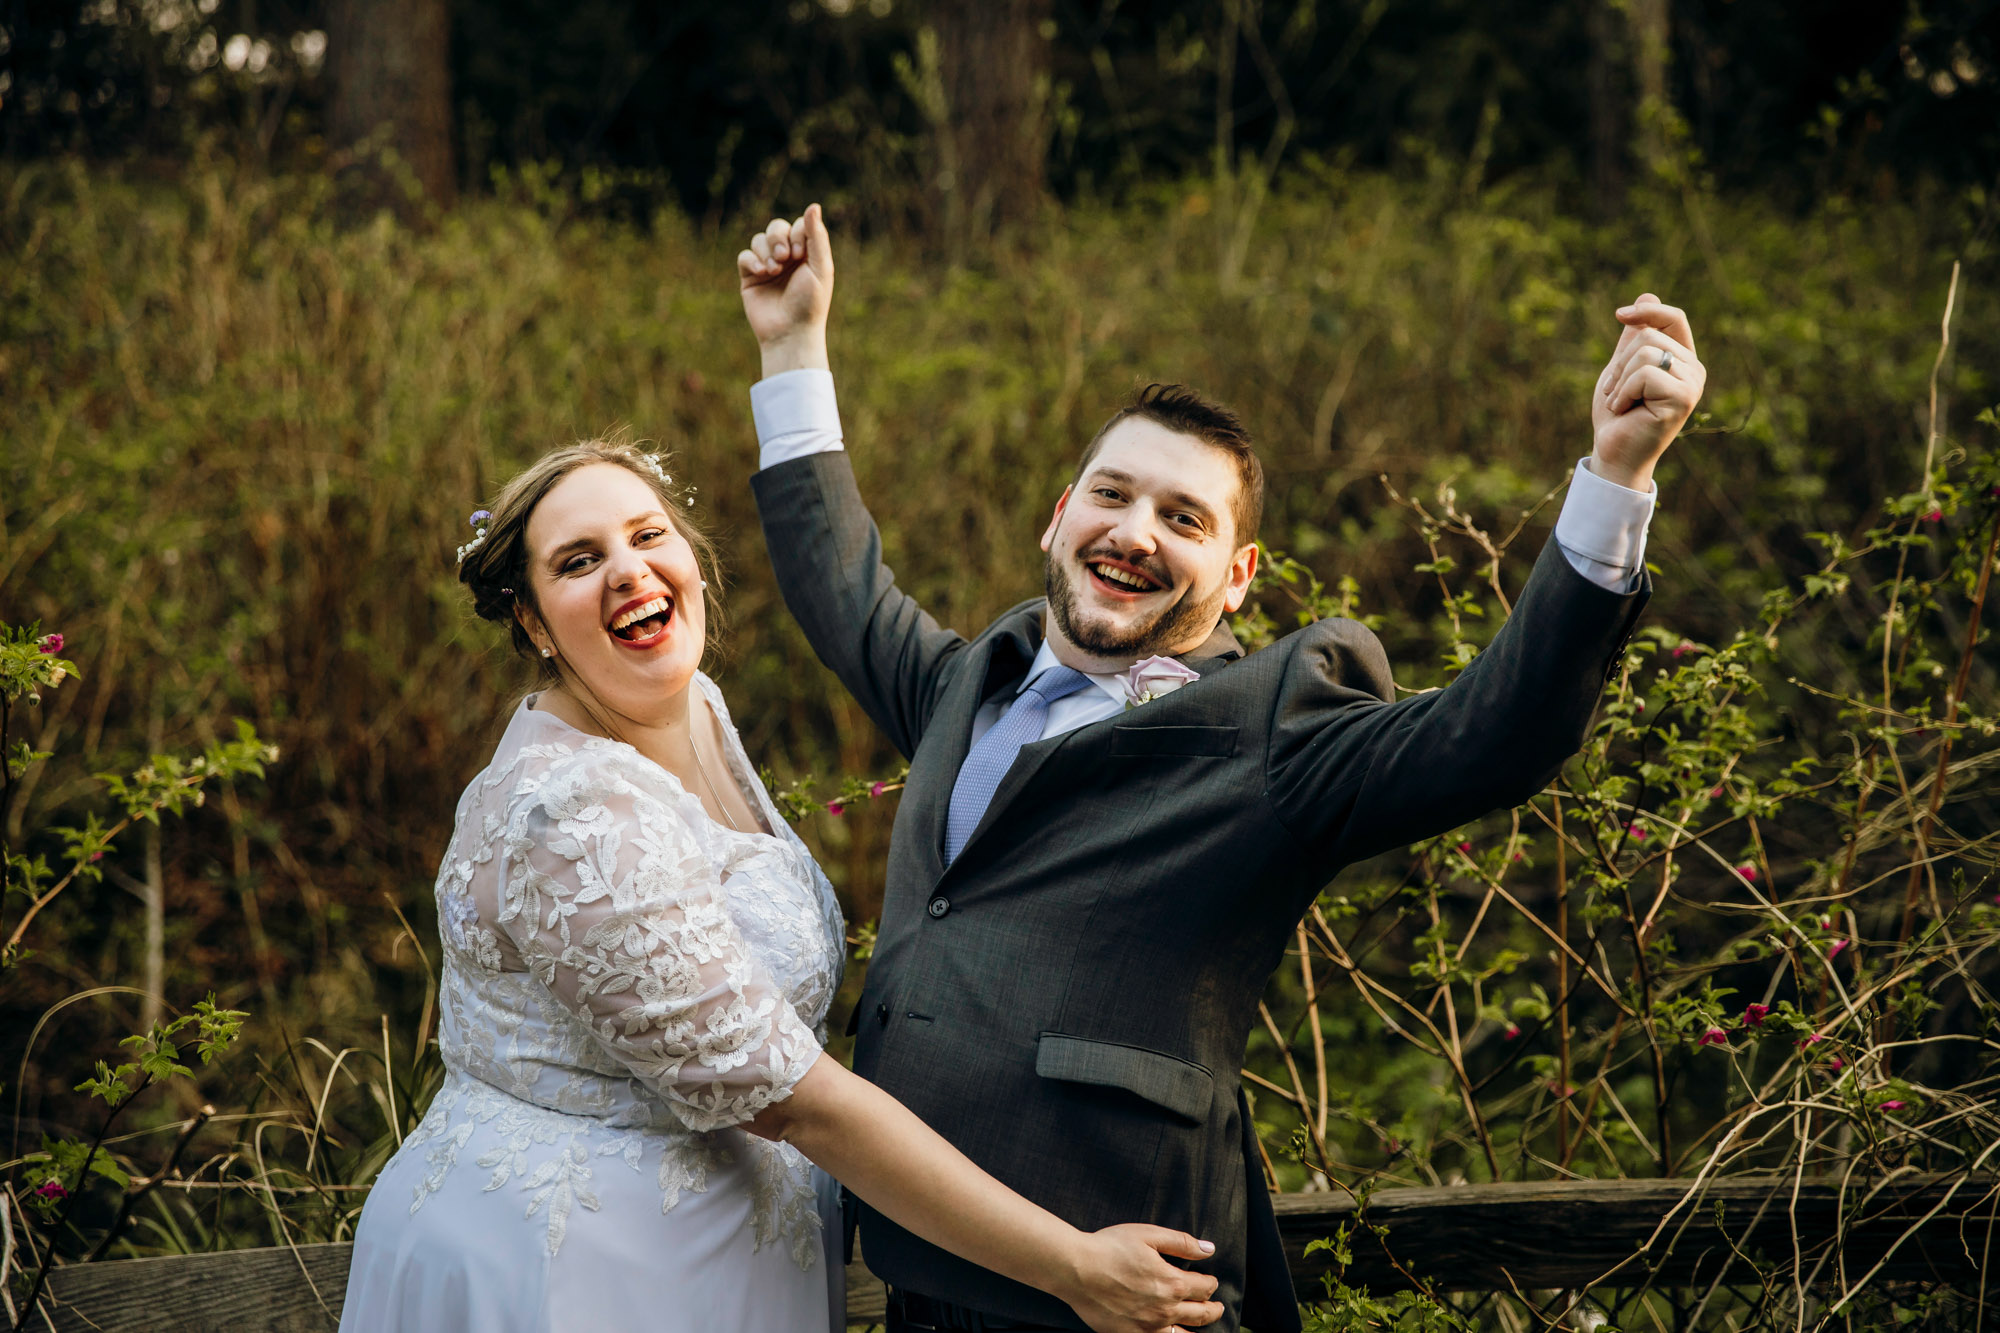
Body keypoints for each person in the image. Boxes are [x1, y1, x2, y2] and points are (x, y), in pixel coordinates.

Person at [737, 206, 1705, 1333]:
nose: (1134, 529)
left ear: (1236, 577)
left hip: (1119, 1286)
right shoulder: (962, 683)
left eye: (1182, 517)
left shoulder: (1272, 731)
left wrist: (1615, 470)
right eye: (1111, 494)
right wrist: (792, 347)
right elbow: (837, 581)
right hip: (918, 1268)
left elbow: (1493, 733)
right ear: (1059, 518)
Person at [339, 439, 1227, 1333]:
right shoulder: (574, 817)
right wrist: (1072, 1266)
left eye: (648, 535)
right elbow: (804, 1104)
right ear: (532, 621)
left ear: (689, 557)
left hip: (726, 1260)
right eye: (579, 561)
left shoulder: (694, 708)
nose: (626, 570)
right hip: (576, 1274)